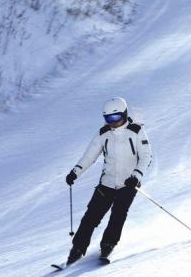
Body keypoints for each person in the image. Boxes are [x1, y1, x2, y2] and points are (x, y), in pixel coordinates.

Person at [64, 97, 152, 265]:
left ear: (124, 115)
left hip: (129, 183)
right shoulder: (103, 134)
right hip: (107, 183)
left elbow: (146, 156)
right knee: (91, 216)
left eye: (116, 118)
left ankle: (108, 244)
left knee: (118, 214)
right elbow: (89, 156)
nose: (113, 123)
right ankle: (77, 249)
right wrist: (75, 172)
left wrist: (136, 176)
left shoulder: (136, 131)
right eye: (108, 119)